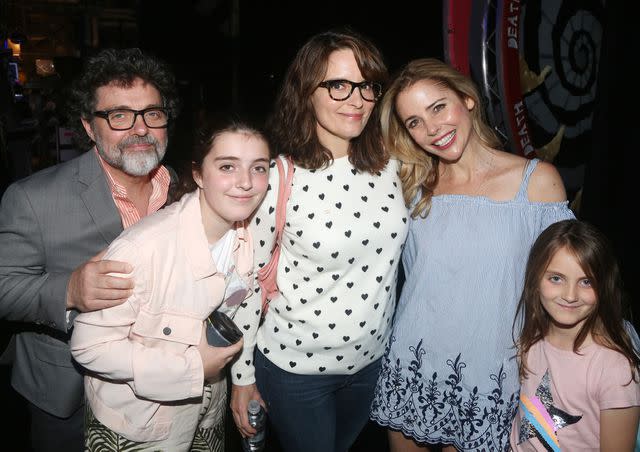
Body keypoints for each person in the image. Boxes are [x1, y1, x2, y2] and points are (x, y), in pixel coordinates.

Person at [369, 58, 575, 452]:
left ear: (467, 99)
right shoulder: (413, 187)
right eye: (414, 122)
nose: (431, 129)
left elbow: (570, 283)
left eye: (438, 107)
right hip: (412, 367)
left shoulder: (536, 183)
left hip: (488, 375)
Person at [229, 28, 409, 452]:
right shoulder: (276, 176)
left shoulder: (394, 164)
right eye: (339, 85)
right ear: (306, 90)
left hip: (372, 363)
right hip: (296, 370)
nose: (357, 99)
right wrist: (242, 378)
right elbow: (245, 283)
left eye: (367, 86)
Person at [0, 47, 179, 451]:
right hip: (71, 395)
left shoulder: (185, 191)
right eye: (118, 115)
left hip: (167, 388)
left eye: (152, 113)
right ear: (88, 126)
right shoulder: (32, 198)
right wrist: (69, 291)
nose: (140, 129)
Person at [70, 116, 271, 451]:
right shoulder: (143, 249)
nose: (246, 182)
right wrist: (191, 368)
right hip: (138, 425)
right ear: (198, 174)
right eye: (227, 167)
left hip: (207, 414)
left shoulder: (248, 237)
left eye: (259, 168)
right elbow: (89, 347)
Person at [510, 219, 640, 451]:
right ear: (535, 278)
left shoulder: (615, 369)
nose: (570, 295)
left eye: (586, 281)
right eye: (556, 278)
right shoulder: (529, 336)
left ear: (604, 286)